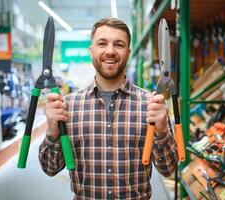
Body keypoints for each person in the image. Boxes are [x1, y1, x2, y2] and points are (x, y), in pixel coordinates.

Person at [39, 17, 178, 199]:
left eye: (119, 44)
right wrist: (51, 131)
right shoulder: (68, 107)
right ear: (91, 51)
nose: (110, 51)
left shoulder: (151, 105)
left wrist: (161, 133)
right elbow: (50, 168)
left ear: (128, 52)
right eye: (102, 43)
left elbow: (168, 169)